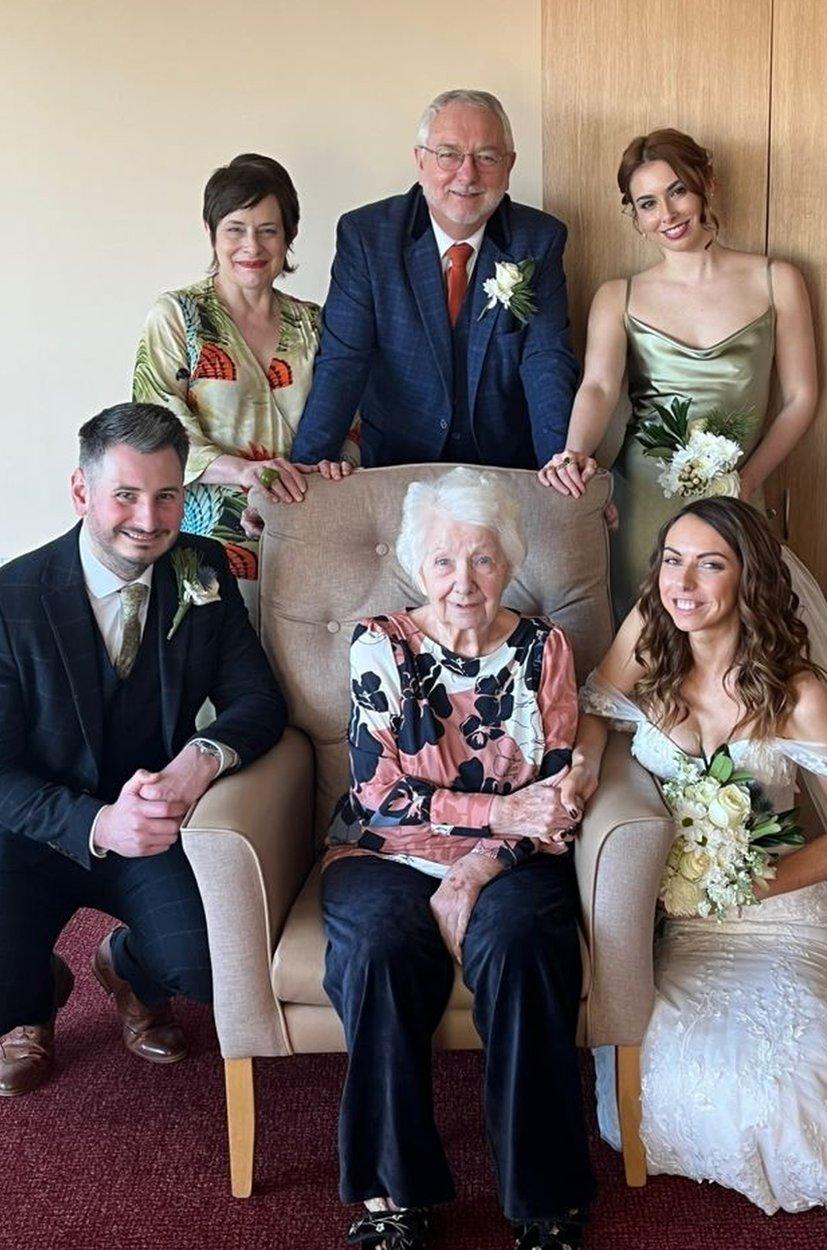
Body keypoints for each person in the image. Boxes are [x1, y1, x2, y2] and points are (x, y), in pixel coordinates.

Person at [563, 497, 827, 1221]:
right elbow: (597, 711)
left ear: (748, 578)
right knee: (657, 1078)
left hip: (782, 916)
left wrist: (745, 883)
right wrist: (583, 768)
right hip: (685, 922)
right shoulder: (649, 640)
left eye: (709, 564)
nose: (682, 583)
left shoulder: (798, 691)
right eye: (672, 560)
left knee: (802, 1088)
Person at [321, 468, 594, 1250]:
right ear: (416, 564)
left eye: (482, 559)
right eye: (443, 560)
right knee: (376, 947)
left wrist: (479, 865)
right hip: (385, 852)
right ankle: (392, 1196)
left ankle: (543, 1200)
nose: (463, 581)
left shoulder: (546, 650)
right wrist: (494, 809)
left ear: (509, 562)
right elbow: (378, 793)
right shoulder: (381, 643)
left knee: (522, 945)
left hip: (512, 861)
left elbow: (554, 796)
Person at [0, 402, 287, 1097]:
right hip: (32, 837)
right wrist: (96, 823)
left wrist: (200, 761)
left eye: (167, 497)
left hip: (157, 828)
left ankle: (125, 967)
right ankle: (30, 1000)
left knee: (206, 966)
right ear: (82, 493)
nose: (150, 520)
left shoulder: (204, 567)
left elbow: (259, 702)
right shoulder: (12, 597)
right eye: (126, 495)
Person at [537, 129, 817, 619]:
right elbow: (599, 388)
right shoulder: (617, 295)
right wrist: (574, 452)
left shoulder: (777, 280)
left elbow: (800, 397)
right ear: (635, 216)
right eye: (647, 203)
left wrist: (746, 483)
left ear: (706, 183)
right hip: (643, 494)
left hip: (737, 491)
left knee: (741, 640)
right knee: (645, 638)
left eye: (677, 191)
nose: (666, 214)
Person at [291, 89, 579, 474]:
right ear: (420, 160)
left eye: (486, 157)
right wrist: (305, 471)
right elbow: (344, 363)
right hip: (399, 467)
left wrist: (561, 467)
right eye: (449, 155)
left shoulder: (538, 241)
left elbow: (547, 363)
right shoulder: (368, 237)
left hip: (505, 469)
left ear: (509, 166)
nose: (467, 174)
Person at [133, 153, 357, 589]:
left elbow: (350, 422)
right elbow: (155, 424)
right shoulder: (179, 316)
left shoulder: (314, 323)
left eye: (268, 231)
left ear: (289, 236)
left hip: (302, 529)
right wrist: (241, 472)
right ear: (211, 233)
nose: (252, 247)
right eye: (235, 229)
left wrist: (337, 468)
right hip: (205, 540)